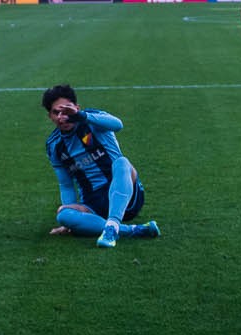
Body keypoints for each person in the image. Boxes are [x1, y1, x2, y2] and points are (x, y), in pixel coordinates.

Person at [42, 84, 160, 247]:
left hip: (126, 197)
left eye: (67, 110)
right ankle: (128, 229)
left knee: (122, 162)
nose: (63, 117)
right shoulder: (54, 145)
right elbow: (66, 185)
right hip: (94, 207)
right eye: (57, 112)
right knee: (63, 214)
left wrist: (82, 116)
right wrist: (68, 223)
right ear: (50, 116)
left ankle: (113, 223)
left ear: (76, 108)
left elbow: (118, 125)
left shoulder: (92, 118)